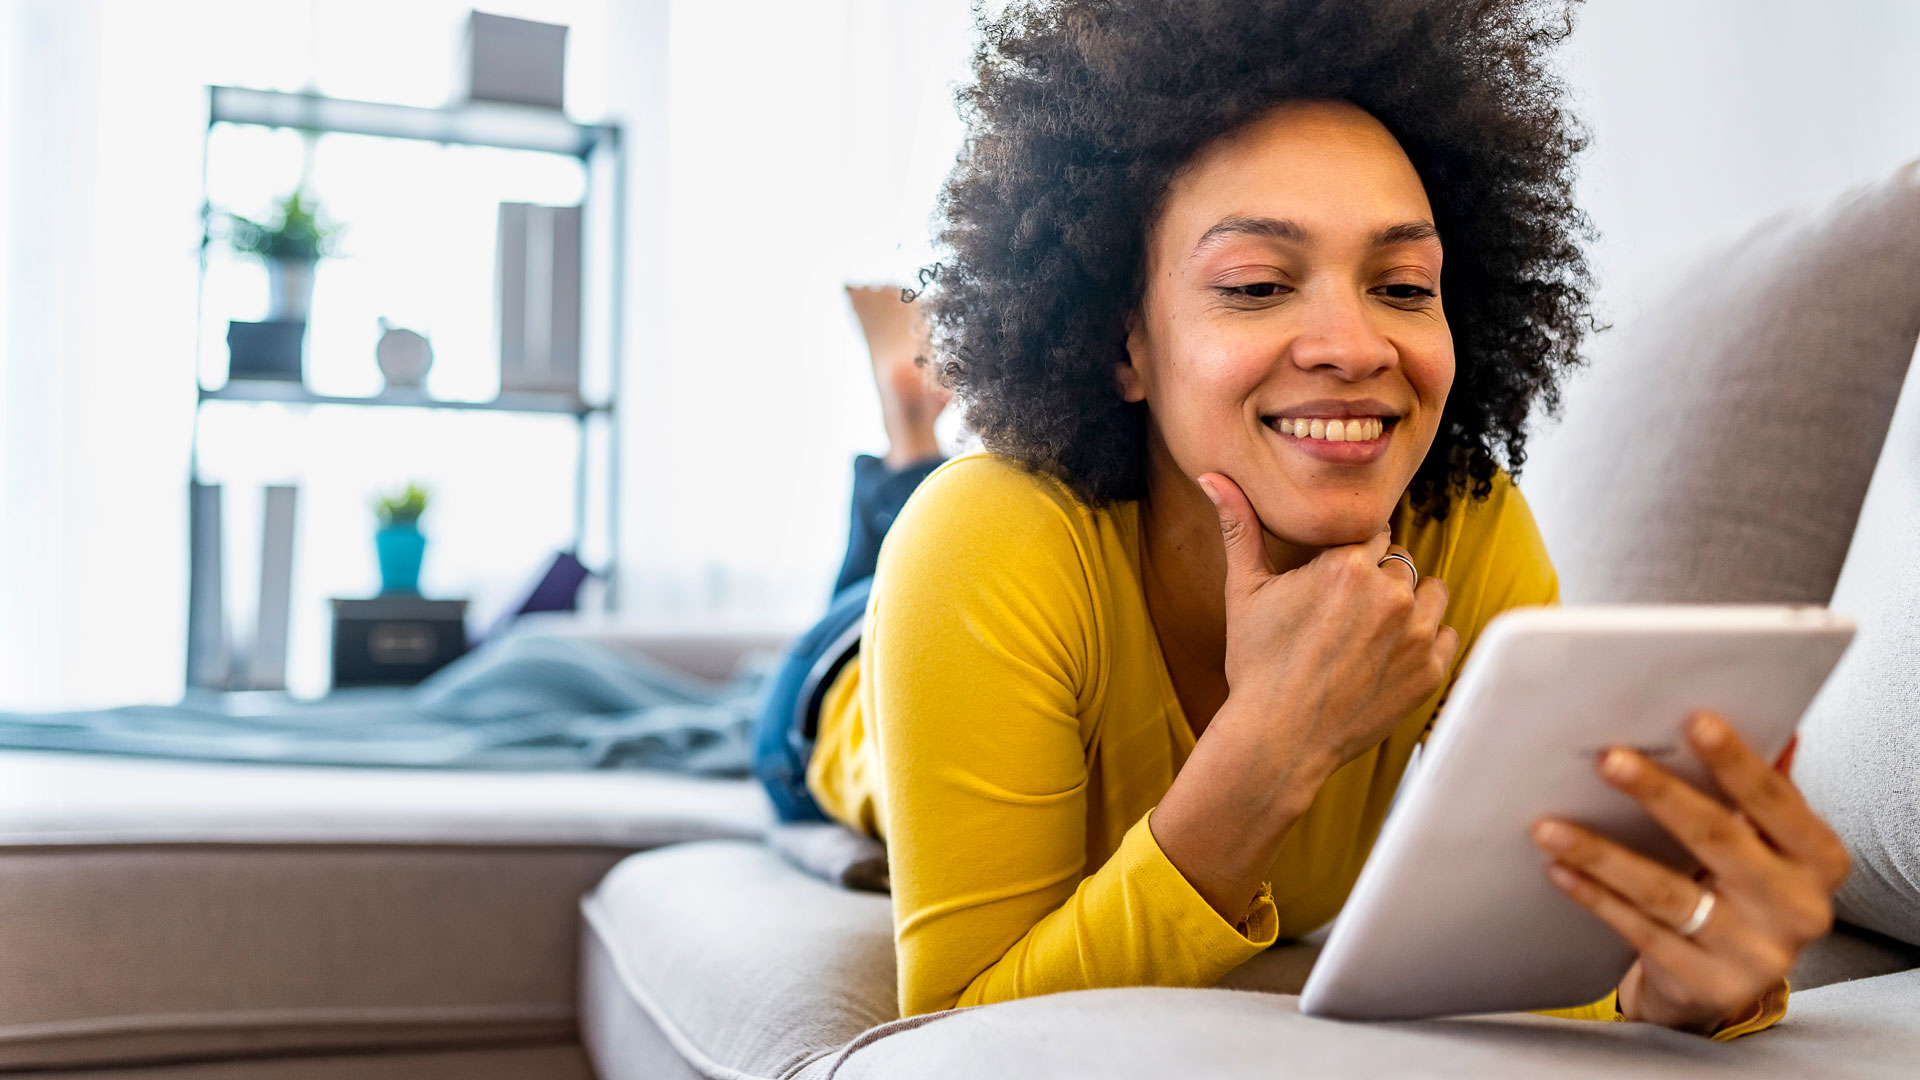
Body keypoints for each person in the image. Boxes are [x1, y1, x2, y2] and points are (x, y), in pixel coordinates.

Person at [756, 0, 1850, 1040]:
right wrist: (1268, 748)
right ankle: (908, 440)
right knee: (881, 558)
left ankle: (907, 421)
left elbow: (1563, 953)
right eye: (1255, 285)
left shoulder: (1459, 524)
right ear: (1123, 341)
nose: (1355, 345)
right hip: (836, 698)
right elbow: (962, 1040)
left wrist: (1694, 985)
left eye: (1405, 287)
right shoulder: (985, 539)